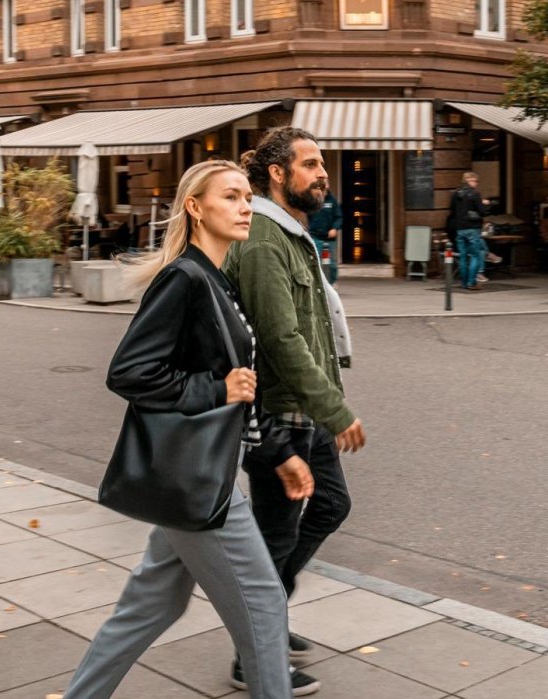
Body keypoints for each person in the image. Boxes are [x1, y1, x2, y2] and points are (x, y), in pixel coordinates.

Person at [63, 160, 320, 699]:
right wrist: (214, 390)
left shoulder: (215, 279)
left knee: (150, 606)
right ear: (195, 208)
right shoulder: (185, 278)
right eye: (230, 197)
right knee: (266, 606)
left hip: (194, 478)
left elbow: (240, 390)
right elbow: (129, 372)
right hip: (202, 483)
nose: (245, 206)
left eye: (247, 197)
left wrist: (277, 451)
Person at [224, 127, 368, 690]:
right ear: (278, 174)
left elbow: (310, 330)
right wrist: (335, 409)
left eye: (322, 163)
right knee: (275, 536)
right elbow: (280, 337)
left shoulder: (289, 233)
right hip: (280, 414)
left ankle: (269, 614)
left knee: (331, 505)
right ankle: (252, 651)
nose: (323, 173)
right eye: (310, 164)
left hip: (306, 412)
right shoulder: (262, 238)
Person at [447, 172, 489, 290]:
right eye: (475, 181)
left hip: (460, 229)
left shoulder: (455, 194)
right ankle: (471, 282)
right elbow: (482, 212)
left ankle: (464, 283)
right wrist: (485, 204)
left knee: (463, 257)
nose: (476, 184)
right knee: (475, 255)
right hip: (472, 228)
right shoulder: (475, 194)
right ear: (470, 181)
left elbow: (452, 210)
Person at [307, 190, 342, 284]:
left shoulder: (332, 201)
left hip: (330, 238)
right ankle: (316, 285)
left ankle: (331, 283)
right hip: (315, 236)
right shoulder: (313, 200)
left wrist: (335, 228)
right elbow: (305, 216)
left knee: (332, 265)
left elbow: (339, 217)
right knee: (315, 262)